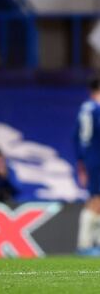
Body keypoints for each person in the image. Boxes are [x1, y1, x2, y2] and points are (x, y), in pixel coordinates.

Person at [74, 78, 100, 256]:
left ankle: (94, 242)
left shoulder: (85, 109)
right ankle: (84, 245)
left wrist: (81, 162)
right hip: (97, 157)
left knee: (96, 200)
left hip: (90, 158)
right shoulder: (96, 110)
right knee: (96, 200)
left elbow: (76, 137)